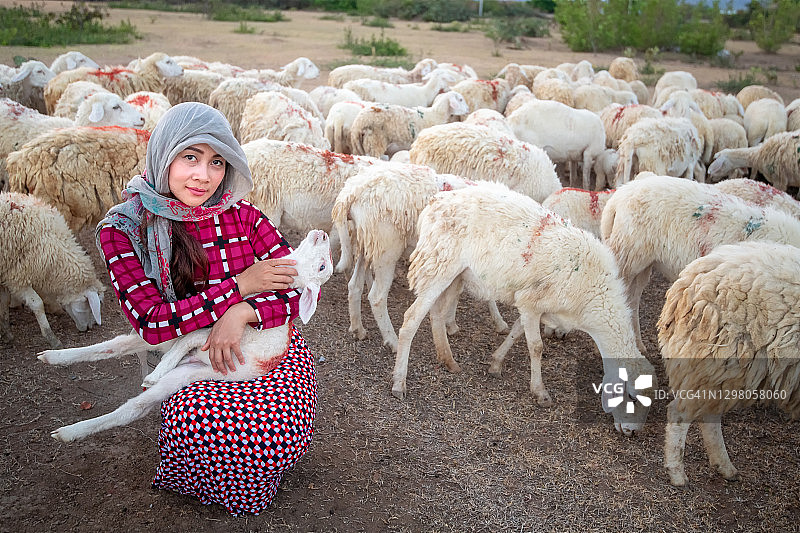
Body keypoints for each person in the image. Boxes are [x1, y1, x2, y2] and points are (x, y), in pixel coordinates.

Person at [96, 102, 317, 515]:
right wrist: (239, 287)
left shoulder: (244, 217)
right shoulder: (124, 230)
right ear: (164, 155)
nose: (204, 175)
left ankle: (250, 486)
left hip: (266, 343)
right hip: (191, 348)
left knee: (278, 425)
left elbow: (298, 283)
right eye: (190, 157)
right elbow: (151, 322)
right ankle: (195, 477)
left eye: (217, 162)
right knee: (202, 421)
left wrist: (241, 314)